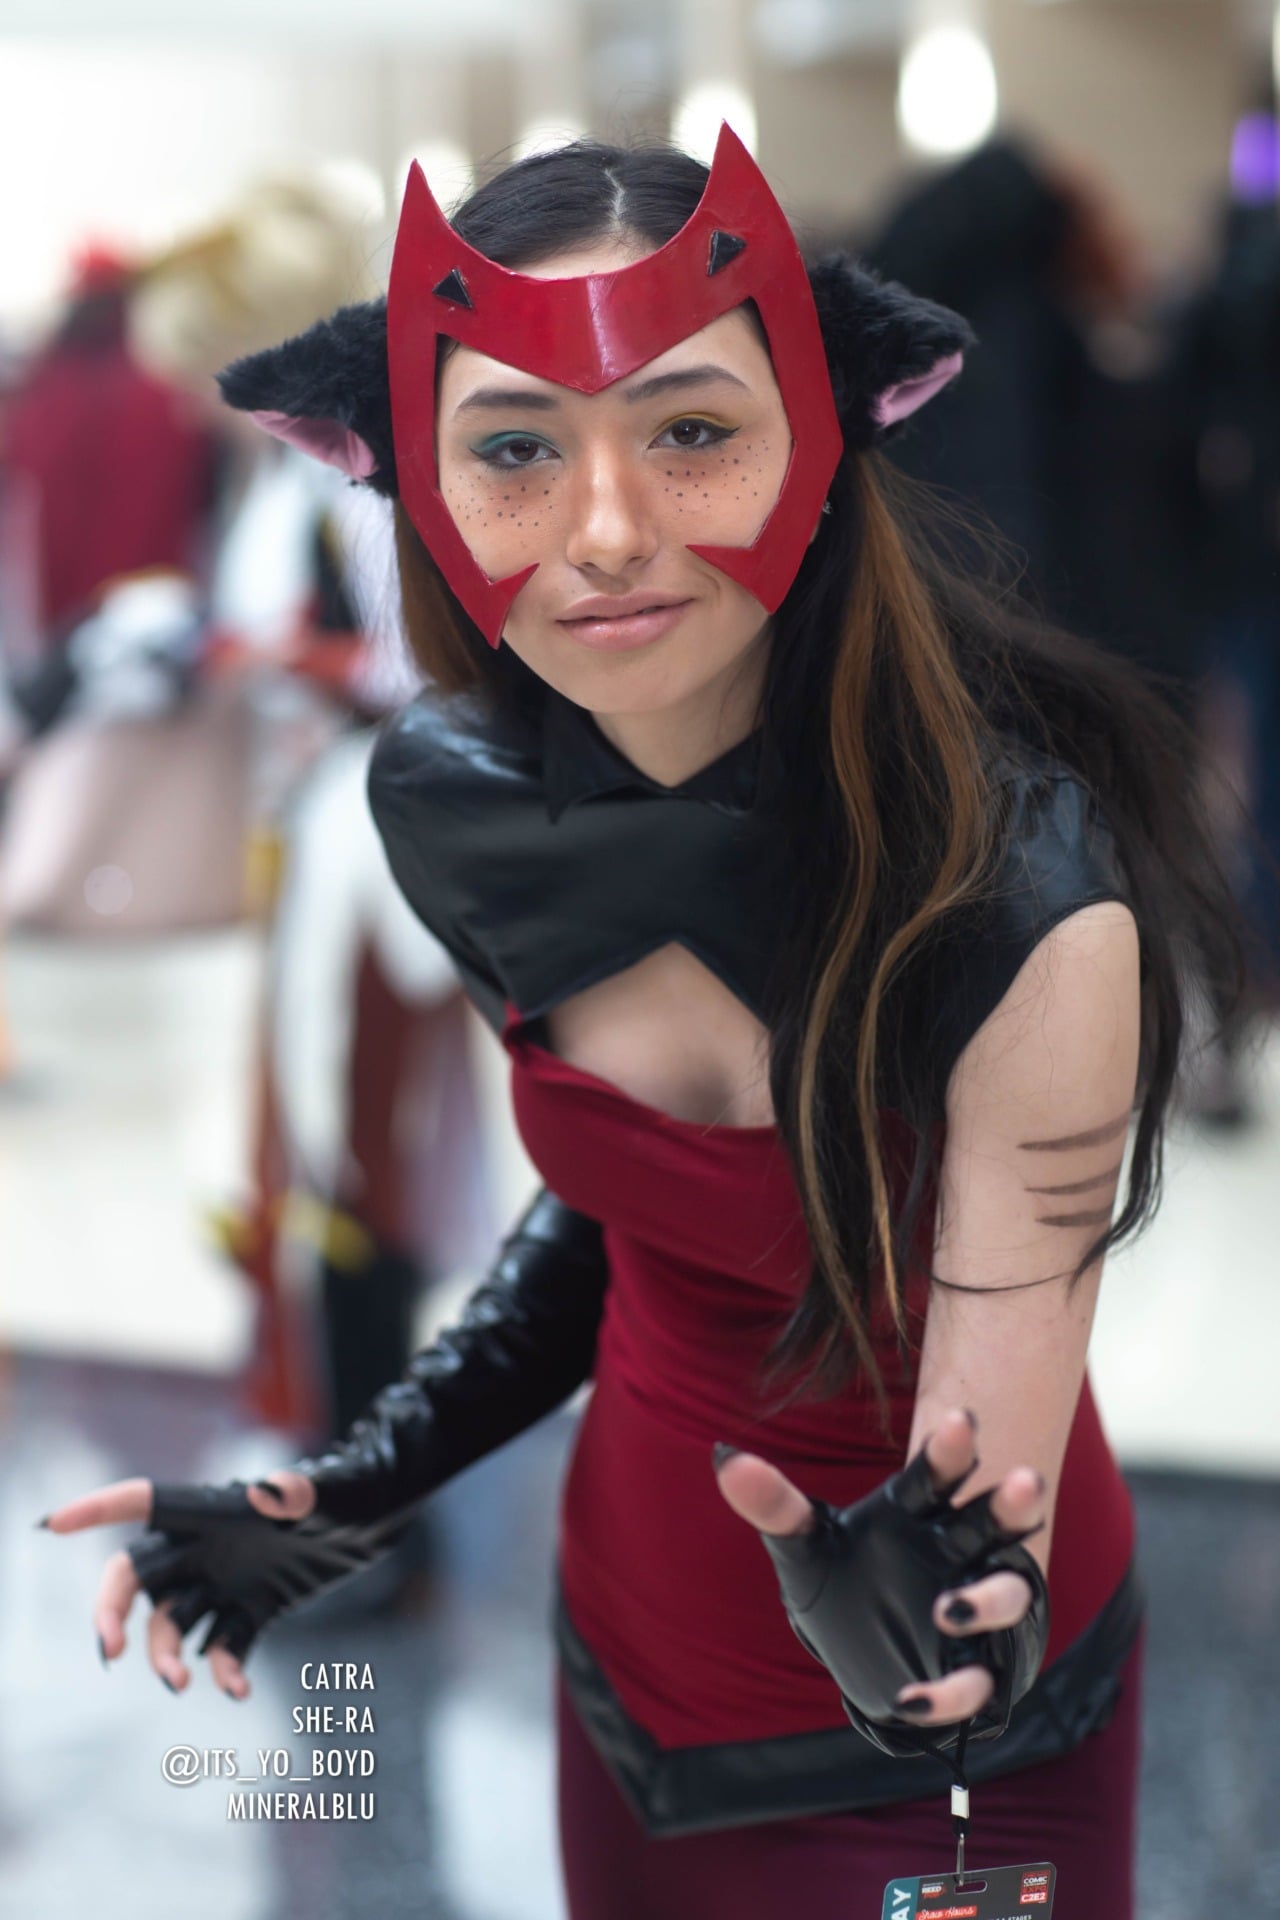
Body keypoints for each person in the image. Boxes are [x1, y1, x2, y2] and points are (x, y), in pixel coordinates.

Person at [41, 129, 1241, 1917]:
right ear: (415, 482)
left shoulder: (1009, 904)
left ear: (821, 440)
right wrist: (356, 1485)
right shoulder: (454, 806)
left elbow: (983, 1501)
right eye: (517, 449)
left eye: (690, 431)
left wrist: (948, 1614)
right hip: (622, 1654)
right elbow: (630, 1214)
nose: (607, 534)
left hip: (949, 1757)